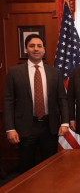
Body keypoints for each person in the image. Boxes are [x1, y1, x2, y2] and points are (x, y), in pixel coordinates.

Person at [4, 34, 69, 173]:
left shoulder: (54, 72)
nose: (36, 49)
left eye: (39, 46)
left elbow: (62, 98)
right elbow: (8, 101)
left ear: (44, 49)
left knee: (50, 165)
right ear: (26, 49)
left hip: (49, 125)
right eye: (32, 46)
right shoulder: (14, 72)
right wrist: (10, 128)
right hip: (25, 126)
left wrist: (64, 122)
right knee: (26, 166)